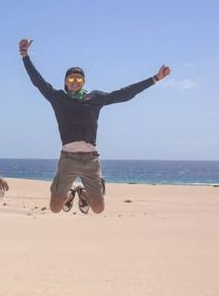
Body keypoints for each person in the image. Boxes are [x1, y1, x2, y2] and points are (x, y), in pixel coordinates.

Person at [19, 38, 171, 214]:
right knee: (54, 208)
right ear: (66, 82)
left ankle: (83, 193)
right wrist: (24, 55)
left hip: (91, 159)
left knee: (98, 208)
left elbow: (124, 94)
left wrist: (155, 79)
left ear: (83, 82)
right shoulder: (58, 98)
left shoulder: (94, 98)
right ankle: (70, 194)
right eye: (71, 78)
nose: (75, 81)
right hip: (68, 158)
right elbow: (38, 81)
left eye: (79, 78)